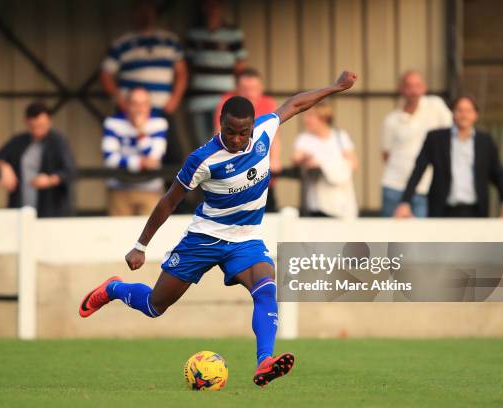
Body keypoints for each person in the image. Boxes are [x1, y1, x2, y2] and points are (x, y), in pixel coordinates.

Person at [79, 70, 358, 386]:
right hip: (205, 238)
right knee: (155, 306)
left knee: (266, 288)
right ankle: (114, 289)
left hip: (246, 239)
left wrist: (334, 87)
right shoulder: (202, 159)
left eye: (243, 132)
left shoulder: (265, 131)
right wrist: (140, 245)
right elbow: (168, 201)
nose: (237, 139)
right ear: (220, 124)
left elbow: (295, 104)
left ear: (253, 125)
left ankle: (264, 360)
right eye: (230, 132)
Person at [394, 96, 503, 218]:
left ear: (475, 115)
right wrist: (405, 202)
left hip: (475, 211)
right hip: (442, 211)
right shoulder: (436, 139)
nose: (464, 115)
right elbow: (418, 170)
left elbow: (499, 174)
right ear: (453, 113)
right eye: (460, 110)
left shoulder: (485, 141)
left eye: (468, 111)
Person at [100, 0, 187, 165]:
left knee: (173, 158)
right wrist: (122, 101)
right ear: (134, 13)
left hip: (161, 110)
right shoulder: (122, 43)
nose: (145, 14)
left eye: (149, 9)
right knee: (129, 154)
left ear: (155, 12)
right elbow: (105, 74)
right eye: (141, 10)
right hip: (132, 113)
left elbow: (182, 73)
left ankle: (172, 191)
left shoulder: (169, 40)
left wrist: (175, 99)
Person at [381, 70, 453, 217]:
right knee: (389, 237)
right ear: (401, 89)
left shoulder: (436, 106)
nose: (413, 91)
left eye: (417, 85)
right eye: (409, 86)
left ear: (424, 88)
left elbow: (451, 133)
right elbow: (386, 154)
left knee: (420, 238)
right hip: (394, 186)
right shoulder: (391, 120)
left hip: (423, 187)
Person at [214, 68, 281, 211]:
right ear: (237, 89)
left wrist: (275, 160)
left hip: (261, 167)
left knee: (268, 210)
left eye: (254, 89)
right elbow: (219, 134)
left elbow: (274, 136)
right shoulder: (228, 102)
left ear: (261, 88)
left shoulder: (268, 102)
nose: (250, 93)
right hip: (235, 168)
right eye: (245, 89)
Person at [0, 102, 76, 218]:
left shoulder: (58, 142)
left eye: (42, 126)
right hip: (21, 208)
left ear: (49, 122)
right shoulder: (19, 142)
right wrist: (4, 167)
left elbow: (70, 171)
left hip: (50, 210)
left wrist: (50, 180)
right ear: (26, 122)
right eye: (34, 127)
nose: (38, 130)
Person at [185, 0, 247, 144]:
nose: (211, 9)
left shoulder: (233, 33)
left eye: (215, 5)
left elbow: (240, 65)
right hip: (198, 99)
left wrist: (238, 93)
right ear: (202, 7)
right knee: (202, 145)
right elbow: (187, 65)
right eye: (207, 5)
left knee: (223, 142)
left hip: (224, 98)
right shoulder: (194, 33)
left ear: (221, 7)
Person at [102, 88, 168, 216]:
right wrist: (139, 163)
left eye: (143, 104)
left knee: (151, 233)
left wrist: (140, 131)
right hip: (119, 188)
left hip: (151, 189)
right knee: (119, 233)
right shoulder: (112, 123)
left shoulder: (159, 123)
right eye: (135, 104)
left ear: (149, 106)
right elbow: (109, 159)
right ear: (126, 104)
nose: (139, 109)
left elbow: (154, 159)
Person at [292, 101, 358, 219]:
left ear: (322, 118)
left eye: (310, 116)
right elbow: (297, 158)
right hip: (317, 202)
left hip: (340, 199)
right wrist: (307, 159)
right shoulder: (304, 139)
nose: (306, 119)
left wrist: (324, 164)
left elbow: (354, 164)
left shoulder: (340, 136)